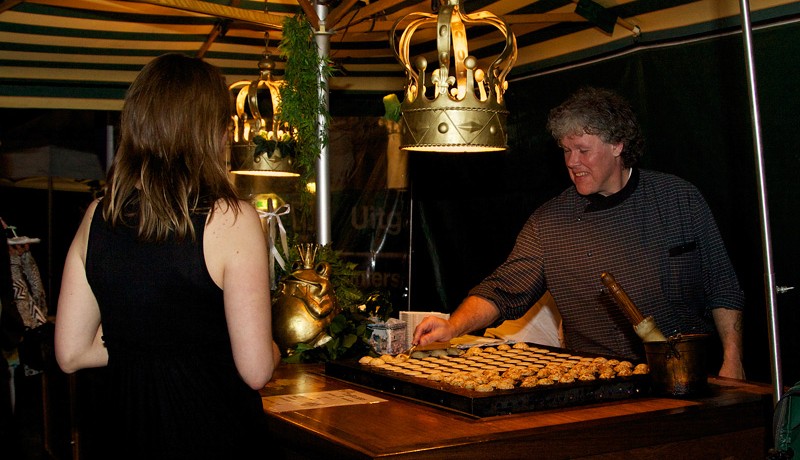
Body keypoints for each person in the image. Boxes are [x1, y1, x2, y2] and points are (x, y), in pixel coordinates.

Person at [413, 86, 745, 379]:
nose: (572, 162)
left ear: (617, 145)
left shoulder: (678, 199)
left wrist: (733, 359)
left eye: (583, 150)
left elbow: (723, 287)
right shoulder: (549, 223)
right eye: (566, 150)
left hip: (687, 375)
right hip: (597, 382)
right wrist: (452, 326)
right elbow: (502, 291)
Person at [55, 53, 281, 458]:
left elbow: (71, 353)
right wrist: (272, 347)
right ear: (209, 131)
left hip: (123, 439)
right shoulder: (231, 219)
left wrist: (148, 341)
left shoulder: (98, 217)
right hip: (212, 436)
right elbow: (256, 370)